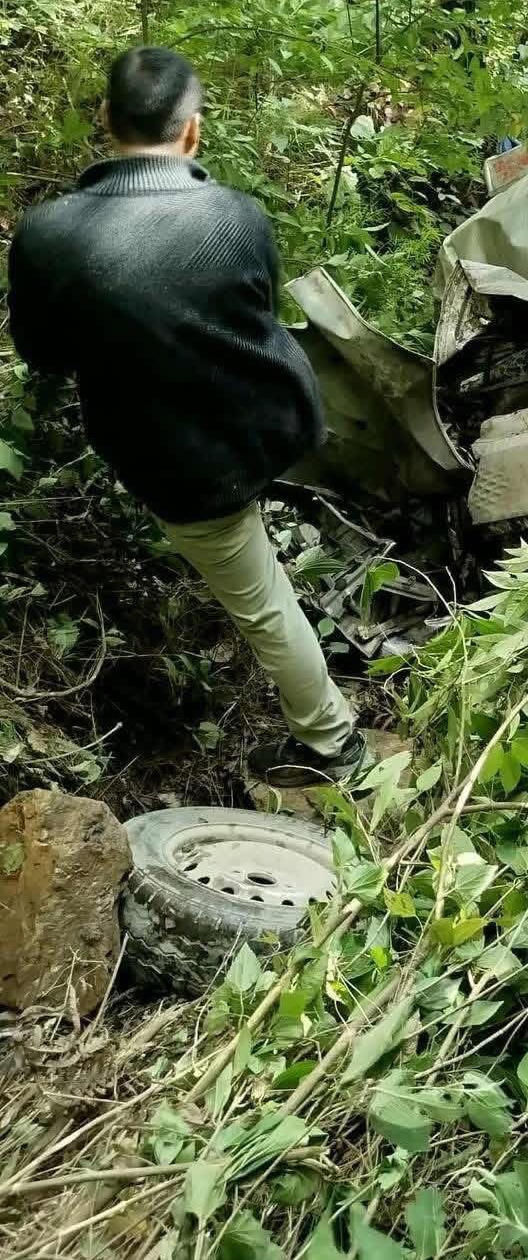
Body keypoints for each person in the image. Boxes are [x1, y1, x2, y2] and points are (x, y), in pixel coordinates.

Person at [6, 48, 366, 785]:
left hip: (185, 459)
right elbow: (254, 312)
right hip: (276, 422)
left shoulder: (45, 234)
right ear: (193, 132)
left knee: (261, 604)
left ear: (104, 121)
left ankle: (338, 747)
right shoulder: (237, 216)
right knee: (249, 549)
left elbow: (43, 355)